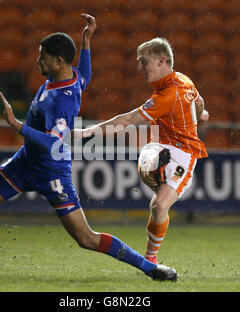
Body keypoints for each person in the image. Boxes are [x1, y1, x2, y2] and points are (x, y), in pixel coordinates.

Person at [0, 15, 177, 281]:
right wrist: (87, 40)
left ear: (59, 62)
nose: (38, 61)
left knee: (86, 238)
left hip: (51, 170)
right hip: (25, 162)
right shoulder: (70, 79)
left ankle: (151, 268)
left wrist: (18, 125)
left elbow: (55, 143)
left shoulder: (62, 100)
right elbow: (86, 74)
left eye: (43, 57)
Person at [74, 37, 208, 265]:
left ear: (161, 61)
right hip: (159, 145)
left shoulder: (168, 95)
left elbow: (128, 119)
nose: (139, 68)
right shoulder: (182, 81)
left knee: (158, 206)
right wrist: (200, 116)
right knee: (150, 158)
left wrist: (89, 131)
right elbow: (200, 102)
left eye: (144, 62)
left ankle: (150, 256)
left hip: (185, 153)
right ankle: (154, 169)